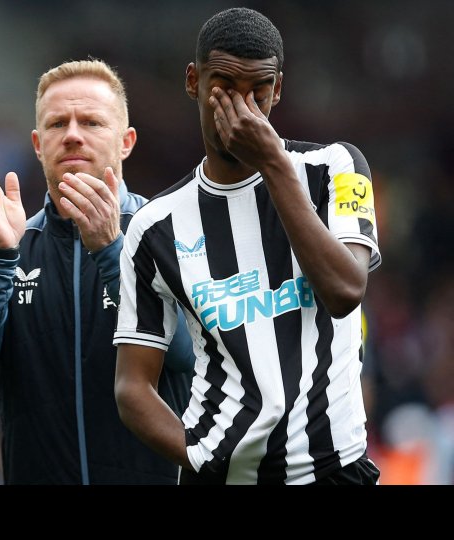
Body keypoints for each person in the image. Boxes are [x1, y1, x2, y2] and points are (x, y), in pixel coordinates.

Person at [114, 7, 381, 485]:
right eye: (224, 87)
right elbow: (132, 387)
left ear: (278, 89)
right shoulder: (154, 226)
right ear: (193, 81)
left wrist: (272, 164)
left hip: (334, 471)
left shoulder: (336, 167)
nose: (241, 108)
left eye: (258, 91)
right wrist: (197, 457)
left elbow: (345, 291)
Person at [0, 59, 194, 484]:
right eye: (57, 124)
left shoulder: (173, 233)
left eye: (91, 122)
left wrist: (112, 252)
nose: (72, 134)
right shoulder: (7, 247)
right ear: (38, 145)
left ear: (126, 141)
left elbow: (187, 354)